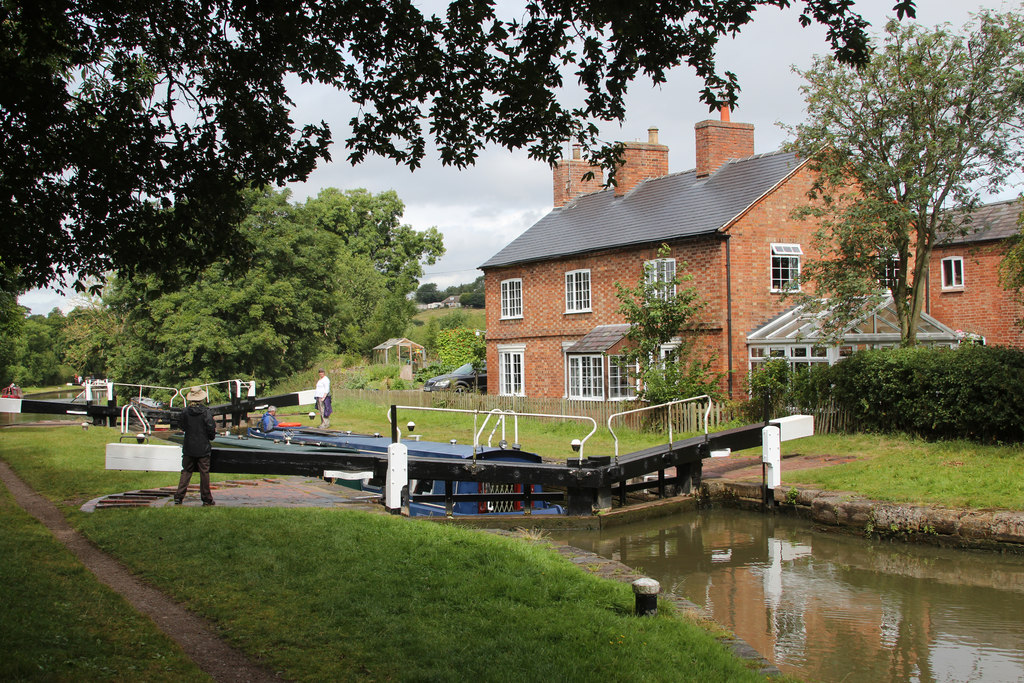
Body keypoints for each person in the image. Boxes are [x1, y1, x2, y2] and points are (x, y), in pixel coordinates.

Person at [174, 386, 217, 506]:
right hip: (203, 446)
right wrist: (210, 437)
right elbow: (210, 428)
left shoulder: (185, 411)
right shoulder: (206, 412)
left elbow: (182, 426)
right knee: (204, 473)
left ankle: (179, 496)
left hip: (189, 445)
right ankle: (206, 498)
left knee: (186, 471)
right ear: (201, 398)